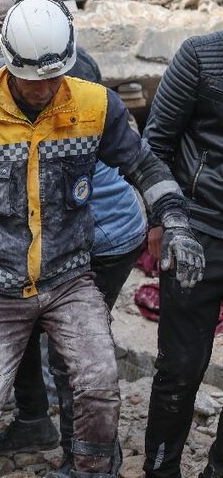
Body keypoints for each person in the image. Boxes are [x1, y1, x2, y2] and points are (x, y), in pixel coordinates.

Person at [0, 0, 205, 477]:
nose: (44, 89)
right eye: (32, 79)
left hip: (68, 278)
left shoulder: (94, 106)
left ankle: (90, 471)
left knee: (97, 384)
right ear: (9, 64)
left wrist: (173, 219)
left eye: (53, 77)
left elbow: (144, 165)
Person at [0, 0, 147, 472]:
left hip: (100, 232)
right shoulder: (0, 70)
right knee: (27, 325)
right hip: (57, 233)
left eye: (2, 25)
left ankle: (91, 460)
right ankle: (36, 420)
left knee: (73, 359)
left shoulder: (72, 73)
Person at [142, 30, 223, 478]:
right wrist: (160, 221)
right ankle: (160, 469)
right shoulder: (201, 55)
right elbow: (155, 144)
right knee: (180, 369)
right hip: (198, 232)